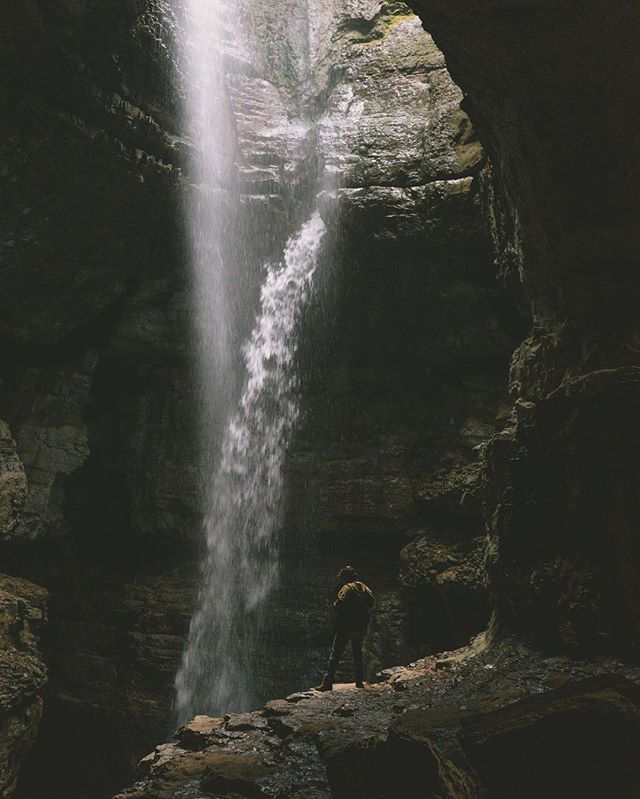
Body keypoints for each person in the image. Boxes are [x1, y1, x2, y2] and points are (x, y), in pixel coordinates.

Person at [318, 565, 374, 691]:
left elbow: (338, 605)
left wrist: (346, 610)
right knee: (358, 654)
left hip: (345, 626)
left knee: (335, 654)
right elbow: (371, 602)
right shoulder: (364, 587)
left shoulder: (346, 588)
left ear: (345, 578)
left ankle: (327, 683)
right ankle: (359, 682)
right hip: (359, 627)